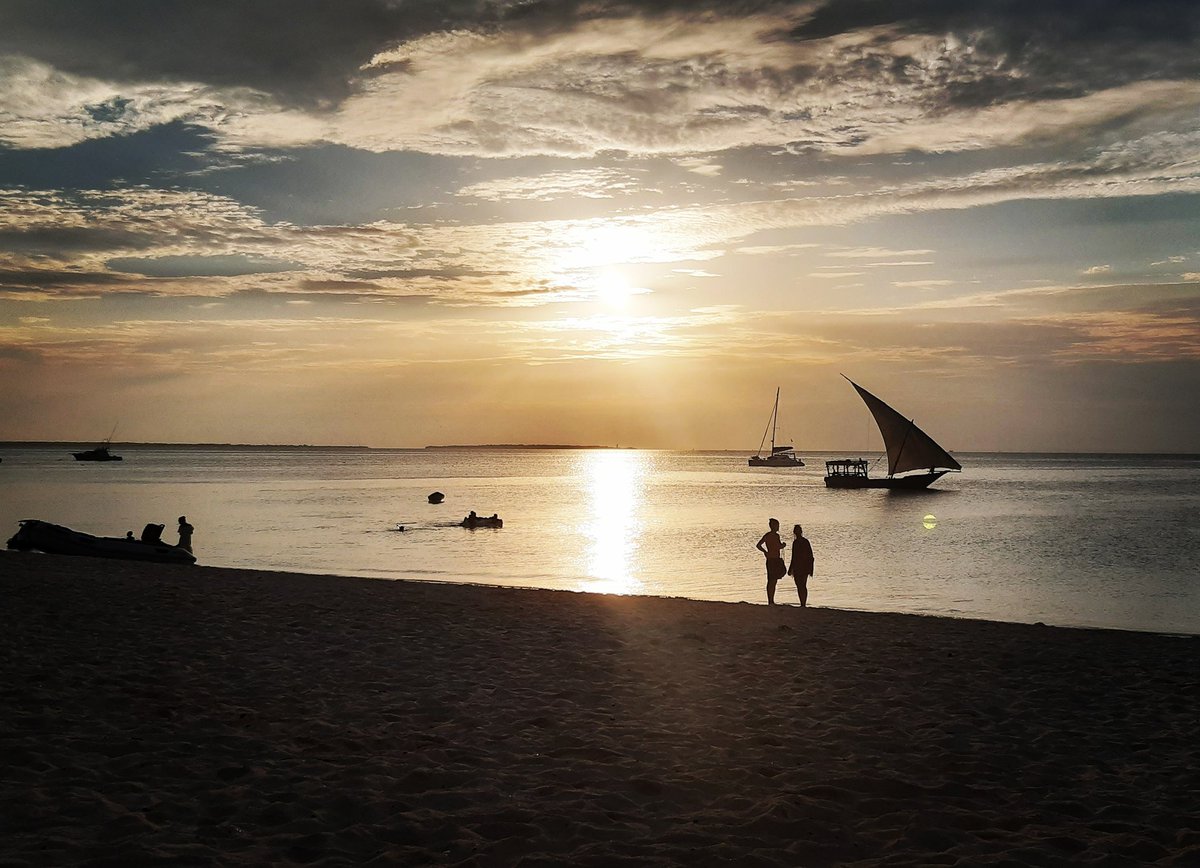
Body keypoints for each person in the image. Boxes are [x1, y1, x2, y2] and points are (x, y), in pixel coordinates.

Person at [755, 518, 787, 605]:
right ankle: (771, 600)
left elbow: (758, 545)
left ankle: (771, 600)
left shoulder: (767, 535)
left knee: (771, 580)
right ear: (773, 526)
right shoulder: (775, 536)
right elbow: (777, 546)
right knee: (772, 580)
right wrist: (783, 545)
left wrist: (765, 552)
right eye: (777, 525)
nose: (778, 527)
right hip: (774, 559)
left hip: (770, 559)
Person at [787, 524, 815, 607]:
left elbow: (794, 557)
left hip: (800, 567)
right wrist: (810, 568)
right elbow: (810, 556)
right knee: (802, 585)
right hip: (802, 567)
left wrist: (790, 568)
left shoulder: (797, 542)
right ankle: (803, 603)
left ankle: (803, 603)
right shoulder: (802, 542)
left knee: (800, 585)